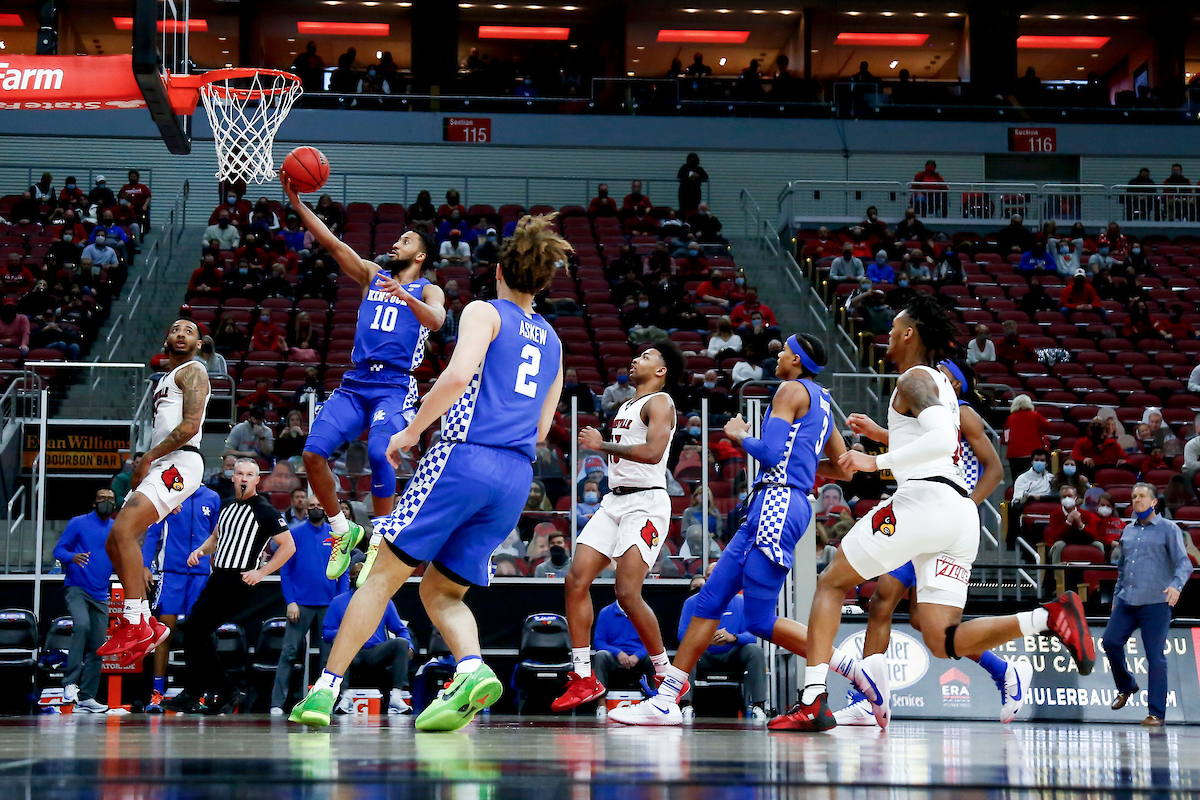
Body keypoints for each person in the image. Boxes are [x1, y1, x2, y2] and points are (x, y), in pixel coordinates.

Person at [288, 214, 565, 731]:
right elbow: (545, 427)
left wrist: (411, 430)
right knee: (441, 591)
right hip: (516, 478)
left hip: (465, 456)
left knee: (380, 575)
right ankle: (472, 669)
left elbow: (459, 376)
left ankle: (324, 691)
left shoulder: (485, 311)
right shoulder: (553, 339)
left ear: (502, 270)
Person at [792, 295, 1095, 731]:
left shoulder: (913, 379)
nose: (887, 337)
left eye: (893, 329)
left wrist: (870, 462)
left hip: (923, 504)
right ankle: (1048, 617)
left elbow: (934, 446)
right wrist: (883, 435)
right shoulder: (943, 391)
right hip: (957, 517)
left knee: (830, 582)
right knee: (941, 637)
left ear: (909, 333)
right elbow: (933, 446)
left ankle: (813, 698)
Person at [611, 334, 863, 727]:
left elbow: (769, 453)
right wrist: (803, 465)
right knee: (710, 600)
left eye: (783, 351)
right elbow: (843, 468)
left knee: (760, 620)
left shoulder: (790, 389)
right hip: (783, 503)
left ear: (796, 359)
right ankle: (666, 699)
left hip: (777, 503)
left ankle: (851, 668)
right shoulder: (824, 402)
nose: (777, 355)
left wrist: (740, 434)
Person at [283, 173, 446, 591]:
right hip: (355, 382)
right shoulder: (372, 274)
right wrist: (299, 204)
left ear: (421, 256)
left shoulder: (429, 290)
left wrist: (404, 294)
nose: (396, 244)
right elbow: (334, 245)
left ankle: (381, 537)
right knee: (313, 453)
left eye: (406, 241)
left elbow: (438, 321)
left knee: (379, 451)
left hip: (395, 385)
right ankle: (342, 529)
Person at [837, 357, 1020, 726]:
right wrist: (879, 433)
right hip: (927, 511)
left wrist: (966, 503)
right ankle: (1003, 671)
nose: (936, 378)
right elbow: (924, 446)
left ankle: (865, 701)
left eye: (946, 376)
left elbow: (995, 468)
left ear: (955, 386)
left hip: (943, 516)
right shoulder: (931, 412)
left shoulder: (962, 415)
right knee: (922, 622)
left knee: (883, 599)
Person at [552, 345, 681, 712]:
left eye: (646, 357)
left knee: (627, 592)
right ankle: (583, 677)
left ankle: (663, 670)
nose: (636, 359)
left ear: (661, 370)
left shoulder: (660, 402)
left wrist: (601, 444)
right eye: (637, 355)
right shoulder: (625, 404)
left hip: (647, 502)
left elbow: (654, 453)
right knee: (575, 580)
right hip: (615, 500)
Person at [95, 321, 210, 668]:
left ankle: (134, 623)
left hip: (182, 462)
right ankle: (145, 620)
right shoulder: (163, 379)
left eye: (188, 331)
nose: (180, 333)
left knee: (124, 531)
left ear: (199, 344)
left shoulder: (194, 371)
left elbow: (190, 426)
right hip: (166, 464)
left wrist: (147, 457)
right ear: (166, 338)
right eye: (175, 329)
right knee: (114, 541)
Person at [159, 459, 294, 714]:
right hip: (217, 576)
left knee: (196, 630)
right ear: (232, 477)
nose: (244, 478)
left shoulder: (265, 510)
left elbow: (288, 546)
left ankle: (212, 690)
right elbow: (216, 538)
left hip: (238, 580)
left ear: (257, 480)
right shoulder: (228, 507)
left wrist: (262, 572)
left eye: (250, 475)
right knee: (195, 632)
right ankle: (207, 691)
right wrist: (200, 550)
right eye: (240, 473)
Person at [1103, 483, 1193, 726]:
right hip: (1127, 599)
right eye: (1133, 497)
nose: (1137, 500)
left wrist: (1176, 586)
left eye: (1142, 496)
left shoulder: (1168, 529)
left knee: (1155, 656)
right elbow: (1122, 569)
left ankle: (1156, 713)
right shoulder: (1128, 531)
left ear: (1154, 502)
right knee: (1110, 641)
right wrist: (1116, 598)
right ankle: (1127, 685)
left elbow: (1184, 564)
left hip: (1155, 601)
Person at [139, 485, 221, 712]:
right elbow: (153, 532)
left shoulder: (212, 497)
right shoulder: (170, 495)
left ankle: (200, 693)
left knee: (201, 635)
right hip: (171, 573)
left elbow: (218, 535)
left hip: (201, 574)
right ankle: (157, 693)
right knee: (165, 632)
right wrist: (146, 565)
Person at [270, 495, 348, 715]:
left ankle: (331, 702)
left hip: (329, 605)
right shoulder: (294, 534)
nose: (315, 508)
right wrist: (290, 601)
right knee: (288, 652)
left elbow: (342, 569)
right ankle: (277, 703)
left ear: (325, 509)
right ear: (305, 509)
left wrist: (340, 602)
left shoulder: (336, 535)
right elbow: (285, 570)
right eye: (311, 505)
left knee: (330, 657)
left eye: (319, 505)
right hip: (300, 605)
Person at [53, 489, 117, 714]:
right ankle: (69, 684)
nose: (106, 503)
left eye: (110, 499)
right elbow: (58, 549)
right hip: (77, 586)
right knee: (82, 626)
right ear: (94, 502)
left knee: (99, 645)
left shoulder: (116, 528)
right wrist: (71, 557)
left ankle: (87, 697)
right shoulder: (78, 523)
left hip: (100, 592)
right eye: (102, 499)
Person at [324, 558, 415, 715]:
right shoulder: (338, 602)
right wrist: (345, 632)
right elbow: (327, 633)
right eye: (356, 575)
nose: (359, 578)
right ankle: (345, 698)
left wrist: (410, 645)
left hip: (375, 652)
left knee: (401, 643)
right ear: (351, 578)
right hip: (352, 653)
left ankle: (396, 696)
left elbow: (400, 629)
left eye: (362, 574)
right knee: (338, 645)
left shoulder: (383, 600)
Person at [673, 571, 768, 720]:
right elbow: (682, 635)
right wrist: (706, 639)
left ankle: (758, 706)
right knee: (685, 650)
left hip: (733, 653)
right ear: (706, 579)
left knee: (754, 651)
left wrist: (733, 637)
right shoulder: (692, 602)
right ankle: (686, 705)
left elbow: (752, 636)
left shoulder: (741, 602)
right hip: (703, 654)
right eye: (711, 575)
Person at [1002, 394, 1050, 479]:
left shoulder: (1010, 418)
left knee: (1017, 481)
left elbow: (1005, 438)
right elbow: (1049, 426)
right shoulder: (1036, 415)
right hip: (1033, 454)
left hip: (1015, 455)